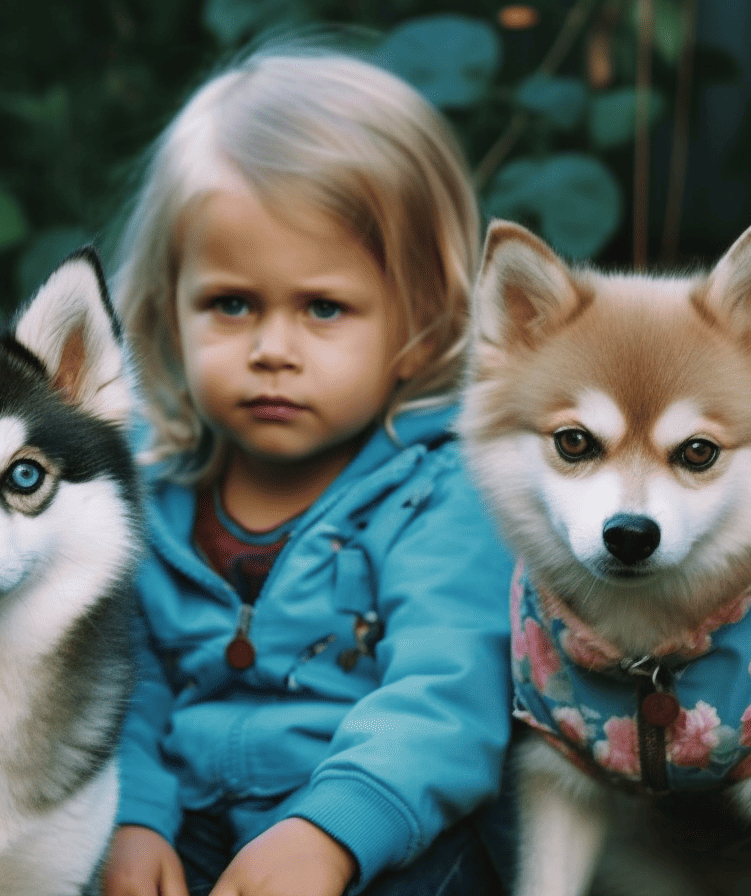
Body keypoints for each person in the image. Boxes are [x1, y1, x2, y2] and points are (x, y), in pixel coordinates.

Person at [101, 44, 515, 896]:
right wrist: (128, 817)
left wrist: (328, 835)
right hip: (189, 814)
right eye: (231, 304)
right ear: (165, 306)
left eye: (324, 308)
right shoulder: (148, 479)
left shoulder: (447, 488)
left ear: (427, 324)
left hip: (383, 820)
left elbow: (446, 694)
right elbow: (120, 679)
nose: (271, 351)